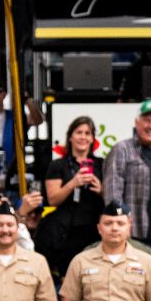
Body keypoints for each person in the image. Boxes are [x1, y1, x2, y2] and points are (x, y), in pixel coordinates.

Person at [103, 99, 151, 266]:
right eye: (146, 120)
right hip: (135, 236)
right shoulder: (122, 149)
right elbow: (112, 192)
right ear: (136, 123)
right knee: (134, 286)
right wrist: (120, 226)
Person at [40, 116, 105, 280]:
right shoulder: (58, 165)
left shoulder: (102, 164)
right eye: (79, 132)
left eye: (87, 133)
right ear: (70, 136)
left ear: (92, 139)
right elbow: (53, 199)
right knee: (67, 278)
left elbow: (113, 199)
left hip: (93, 230)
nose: (83, 137)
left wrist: (101, 191)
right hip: (65, 231)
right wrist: (73, 183)